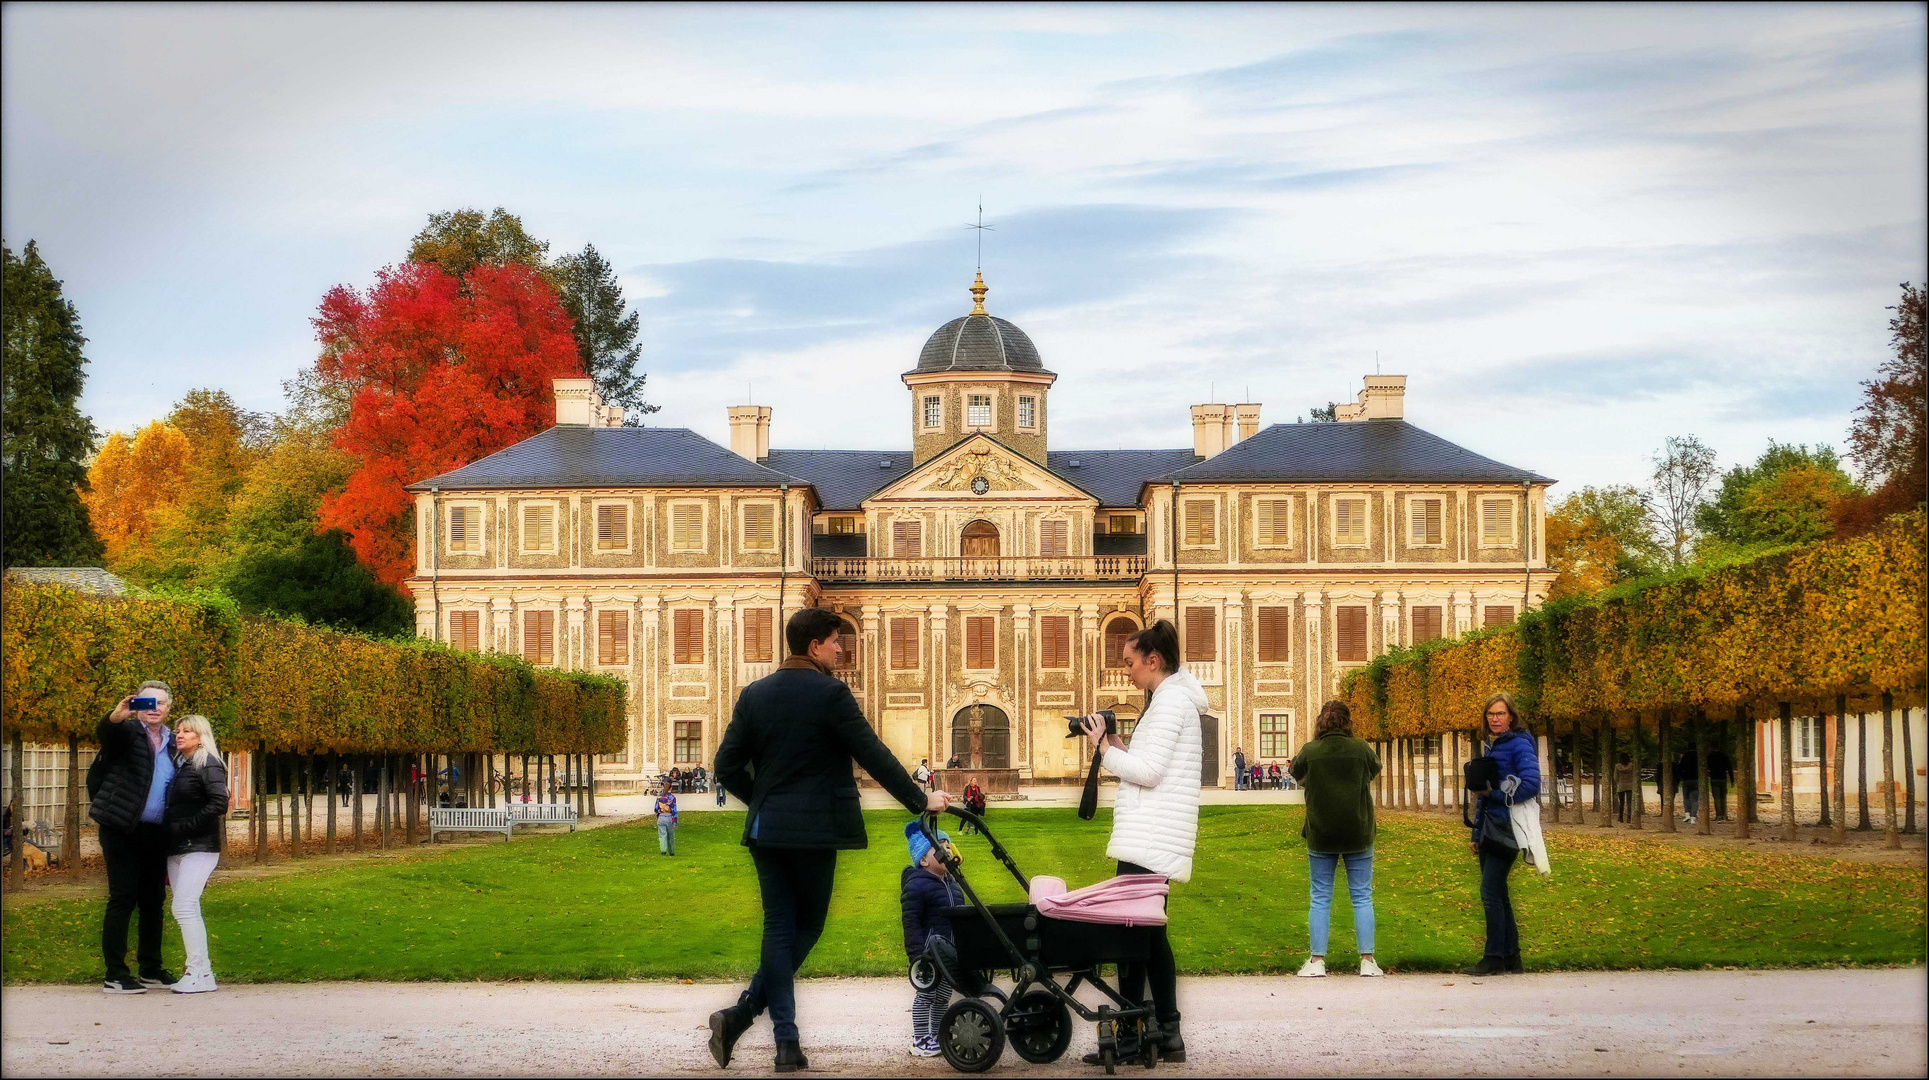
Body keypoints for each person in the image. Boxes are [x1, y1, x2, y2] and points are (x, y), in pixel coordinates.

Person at [708, 608, 949, 1073]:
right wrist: (921, 800)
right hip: (816, 831)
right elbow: (873, 754)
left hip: (767, 831)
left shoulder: (754, 694)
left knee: (779, 927)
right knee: (808, 926)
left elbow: (725, 767)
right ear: (815, 645)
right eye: (837, 641)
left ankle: (774, 1036)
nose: (842, 648)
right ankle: (755, 1025)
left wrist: (761, 801)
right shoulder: (831, 693)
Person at [1077, 619, 1203, 1063]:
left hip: (1150, 839)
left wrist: (1104, 750)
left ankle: (1134, 1034)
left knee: (1131, 937)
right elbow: (1151, 764)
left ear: (1154, 661)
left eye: (1131, 663)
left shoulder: (1170, 704)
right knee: (1149, 937)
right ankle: (1166, 1034)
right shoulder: (1168, 701)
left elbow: (1148, 774)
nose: (1126, 671)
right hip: (1153, 836)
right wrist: (1112, 740)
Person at [90, 681, 179, 993]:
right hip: (122, 828)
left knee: (153, 901)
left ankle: (151, 969)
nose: (155, 709)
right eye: (148, 703)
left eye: (161, 703)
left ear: (170, 708)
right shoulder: (127, 732)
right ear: (138, 706)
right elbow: (107, 735)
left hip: (156, 832)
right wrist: (115, 716)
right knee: (123, 897)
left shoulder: (173, 742)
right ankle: (115, 973)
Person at [1290, 700, 1382, 978]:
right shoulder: (1361, 748)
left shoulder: (1310, 751)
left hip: (1321, 832)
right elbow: (1374, 770)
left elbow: (1296, 772)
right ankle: (1367, 960)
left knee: (1320, 897)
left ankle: (1317, 961)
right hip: (1358, 830)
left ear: (1320, 724)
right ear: (1348, 722)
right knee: (1362, 896)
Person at [1463, 692, 1541, 976]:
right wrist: (1476, 832)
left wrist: (1495, 795)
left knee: (1490, 892)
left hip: (1508, 827)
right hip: (1491, 826)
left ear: (1511, 715)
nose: (1495, 718)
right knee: (1499, 893)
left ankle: (1494, 956)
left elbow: (1531, 784)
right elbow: (1486, 792)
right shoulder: (1497, 745)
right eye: (1491, 714)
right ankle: (1511, 957)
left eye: (1500, 713)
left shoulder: (1519, 744)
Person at [164, 715, 228, 994]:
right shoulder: (182, 764)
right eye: (178, 730)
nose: (180, 734)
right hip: (179, 846)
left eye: (187, 731)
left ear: (201, 736)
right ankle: (199, 971)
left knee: (184, 907)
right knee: (185, 908)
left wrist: (185, 828)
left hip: (198, 846)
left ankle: (200, 972)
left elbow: (219, 802)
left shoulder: (208, 763)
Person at [900, 820, 964, 1057]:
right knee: (926, 994)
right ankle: (919, 1039)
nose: (946, 851)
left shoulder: (954, 885)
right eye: (939, 847)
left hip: (949, 952)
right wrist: (917, 955)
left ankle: (936, 1035)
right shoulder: (917, 885)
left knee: (943, 995)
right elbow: (911, 922)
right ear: (924, 860)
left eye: (948, 846)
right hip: (928, 953)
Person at [1706, 746, 1734, 823]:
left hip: (1714, 778)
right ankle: (1724, 815)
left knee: (1717, 798)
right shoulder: (1724, 756)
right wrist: (1732, 780)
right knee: (1723, 797)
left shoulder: (1710, 756)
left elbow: (1707, 768)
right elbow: (1729, 768)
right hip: (1723, 778)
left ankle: (1718, 815)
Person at [1674, 747, 1700, 825]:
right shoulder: (1698, 756)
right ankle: (1693, 817)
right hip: (1696, 779)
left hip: (1686, 780)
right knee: (1695, 799)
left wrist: (1682, 777)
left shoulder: (1685, 756)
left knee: (1686, 798)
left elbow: (1680, 768)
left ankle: (1687, 814)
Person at [655, 788, 679, 856]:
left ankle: (663, 850)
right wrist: (675, 820)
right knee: (670, 835)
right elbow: (674, 809)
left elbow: (656, 809)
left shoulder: (659, 797)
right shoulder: (672, 798)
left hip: (661, 817)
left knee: (662, 835)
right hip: (669, 817)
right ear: (670, 788)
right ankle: (671, 851)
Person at [1614, 755, 1635, 823]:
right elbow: (1634, 775)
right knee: (1629, 802)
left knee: (1621, 803)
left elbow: (1615, 777)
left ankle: (1621, 817)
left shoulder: (1617, 766)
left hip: (1621, 785)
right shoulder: (1632, 766)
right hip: (1630, 786)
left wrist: (1618, 782)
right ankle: (1629, 817)